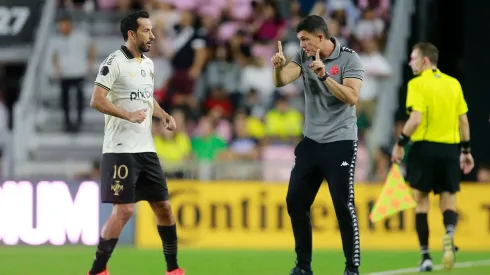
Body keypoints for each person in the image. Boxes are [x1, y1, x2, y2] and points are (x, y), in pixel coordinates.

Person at [87, 11, 185, 275]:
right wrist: (128, 114)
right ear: (132, 34)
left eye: (152, 31)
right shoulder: (114, 62)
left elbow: (146, 97)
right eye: (146, 31)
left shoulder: (148, 64)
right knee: (124, 211)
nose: (152, 36)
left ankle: (173, 269)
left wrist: (163, 114)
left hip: (146, 149)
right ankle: (97, 270)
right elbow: (96, 100)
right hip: (120, 150)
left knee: (164, 207)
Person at [271, 15, 364, 275]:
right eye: (299, 40)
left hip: (341, 141)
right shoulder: (302, 57)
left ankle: (351, 267)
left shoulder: (349, 58)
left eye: (305, 40)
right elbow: (282, 80)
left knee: (343, 205)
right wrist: (278, 68)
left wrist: (324, 77)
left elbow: (352, 98)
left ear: (320, 38)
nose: (301, 45)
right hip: (312, 141)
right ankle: (303, 266)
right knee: (295, 201)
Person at [391, 42, 474, 272]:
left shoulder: (417, 84)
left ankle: (426, 256)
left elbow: (415, 119)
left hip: (423, 148)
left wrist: (400, 144)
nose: (410, 62)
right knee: (448, 200)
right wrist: (466, 151)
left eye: (413, 58)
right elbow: (464, 121)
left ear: (425, 61)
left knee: (421, 203)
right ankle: (448, 234)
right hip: (449, 150)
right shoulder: (454, 84)